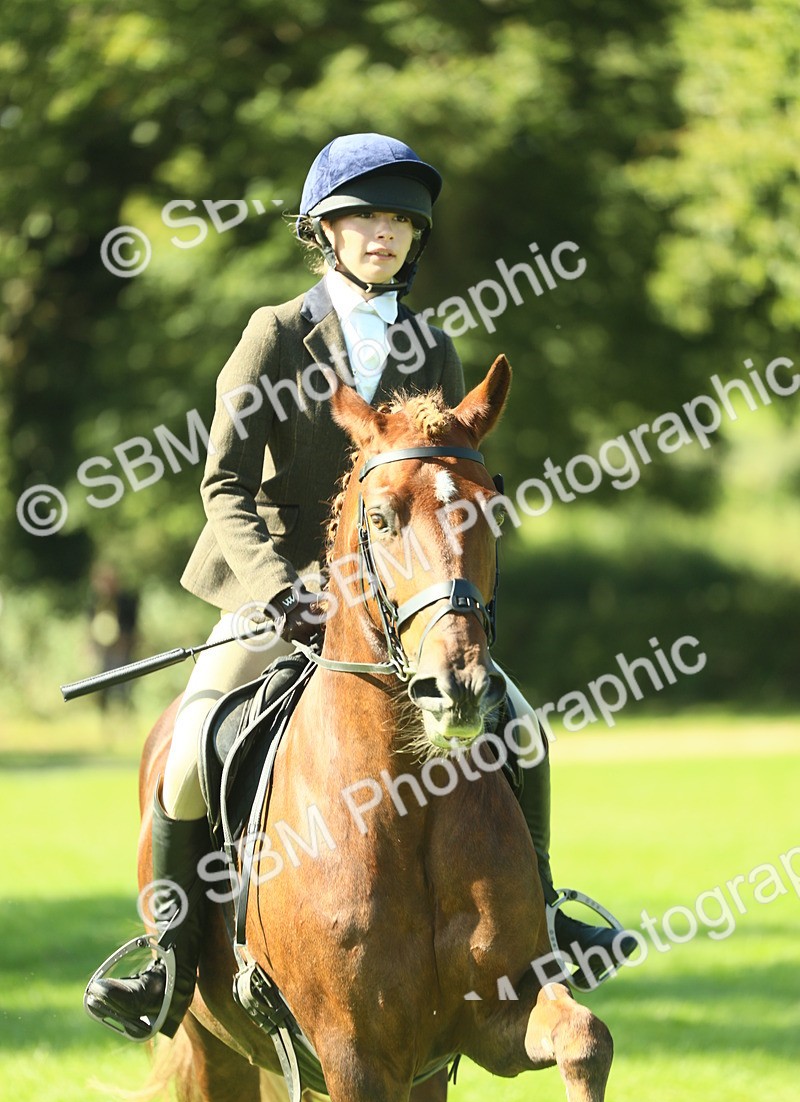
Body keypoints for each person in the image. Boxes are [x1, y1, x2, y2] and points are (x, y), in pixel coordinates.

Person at [85, 133, 634, 1040]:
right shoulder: (273, 332)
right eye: (362, 219)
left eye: (397, 222)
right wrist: (273, 588)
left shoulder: (434, 343)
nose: (382, 235)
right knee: (188, 749)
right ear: (324, 231)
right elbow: (221, 482)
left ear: (414, 239)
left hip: (399, 604)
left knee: (522, 729)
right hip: (275, 588)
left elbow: (449, 487)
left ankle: (546, 917)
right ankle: (171, 960)